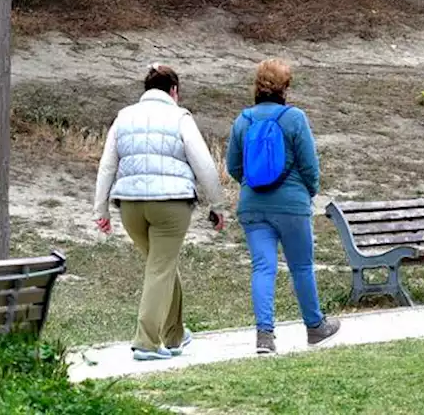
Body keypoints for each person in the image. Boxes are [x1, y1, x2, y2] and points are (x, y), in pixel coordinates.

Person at [93, 63, 226, 362]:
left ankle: (175, 333)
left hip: (129, 207)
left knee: (162, 265)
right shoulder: (180, 116)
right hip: (171, 205)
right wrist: (216, 204)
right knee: (160, 268)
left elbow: (107, 165)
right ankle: (147, 342)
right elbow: (204, 163)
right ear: (174, 90)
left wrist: (100, 209)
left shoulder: (123, 117)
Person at [226, 59, 340, 355]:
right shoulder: (294, 118)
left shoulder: (243, 120)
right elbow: (309, 165)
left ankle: (265, 336)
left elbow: (233, 167)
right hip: (291, 204)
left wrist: (253, 185)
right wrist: (307, 191)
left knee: (263, 267)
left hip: (252, 206)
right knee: (301, 266)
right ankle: (315, 327)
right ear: (285, 88)